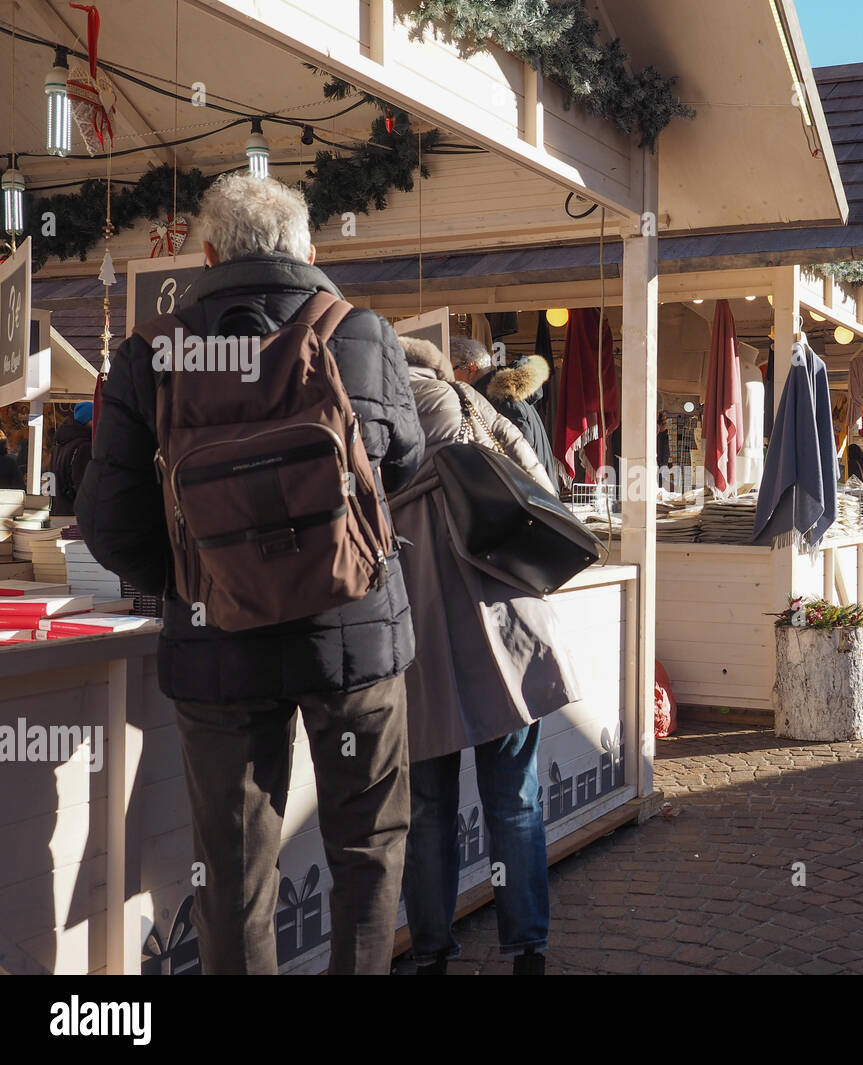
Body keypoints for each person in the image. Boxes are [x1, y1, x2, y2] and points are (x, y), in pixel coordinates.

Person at [75, 173, 425, 974]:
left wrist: (198, 579)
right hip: (355, 637)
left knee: (232, 871)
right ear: (310, 249)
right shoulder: (361, 334)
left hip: (216, 646)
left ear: (205, 254)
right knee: (368, 848)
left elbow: (109, 521)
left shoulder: (151, 354)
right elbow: (405, 468)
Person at [388, 335, 580, 976]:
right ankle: (528, 949)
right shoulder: (479, 408)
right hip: (510, 627)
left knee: (426, 809)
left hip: (422, 633)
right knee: (515, 799)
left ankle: (433, 953)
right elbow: (545, 491)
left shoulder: (375, 409)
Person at [471, 346, 558, 490]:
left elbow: (520, 447)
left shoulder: (497, 395)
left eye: (453, 368)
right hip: (538, 489)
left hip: (530, 493)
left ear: (471, 368)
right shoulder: (506, 391)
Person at [49, 402, 94, 515]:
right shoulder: (84, 447)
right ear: (89, 420)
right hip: (76, 515)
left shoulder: (59, 446)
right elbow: (84, 486)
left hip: (59, 510)